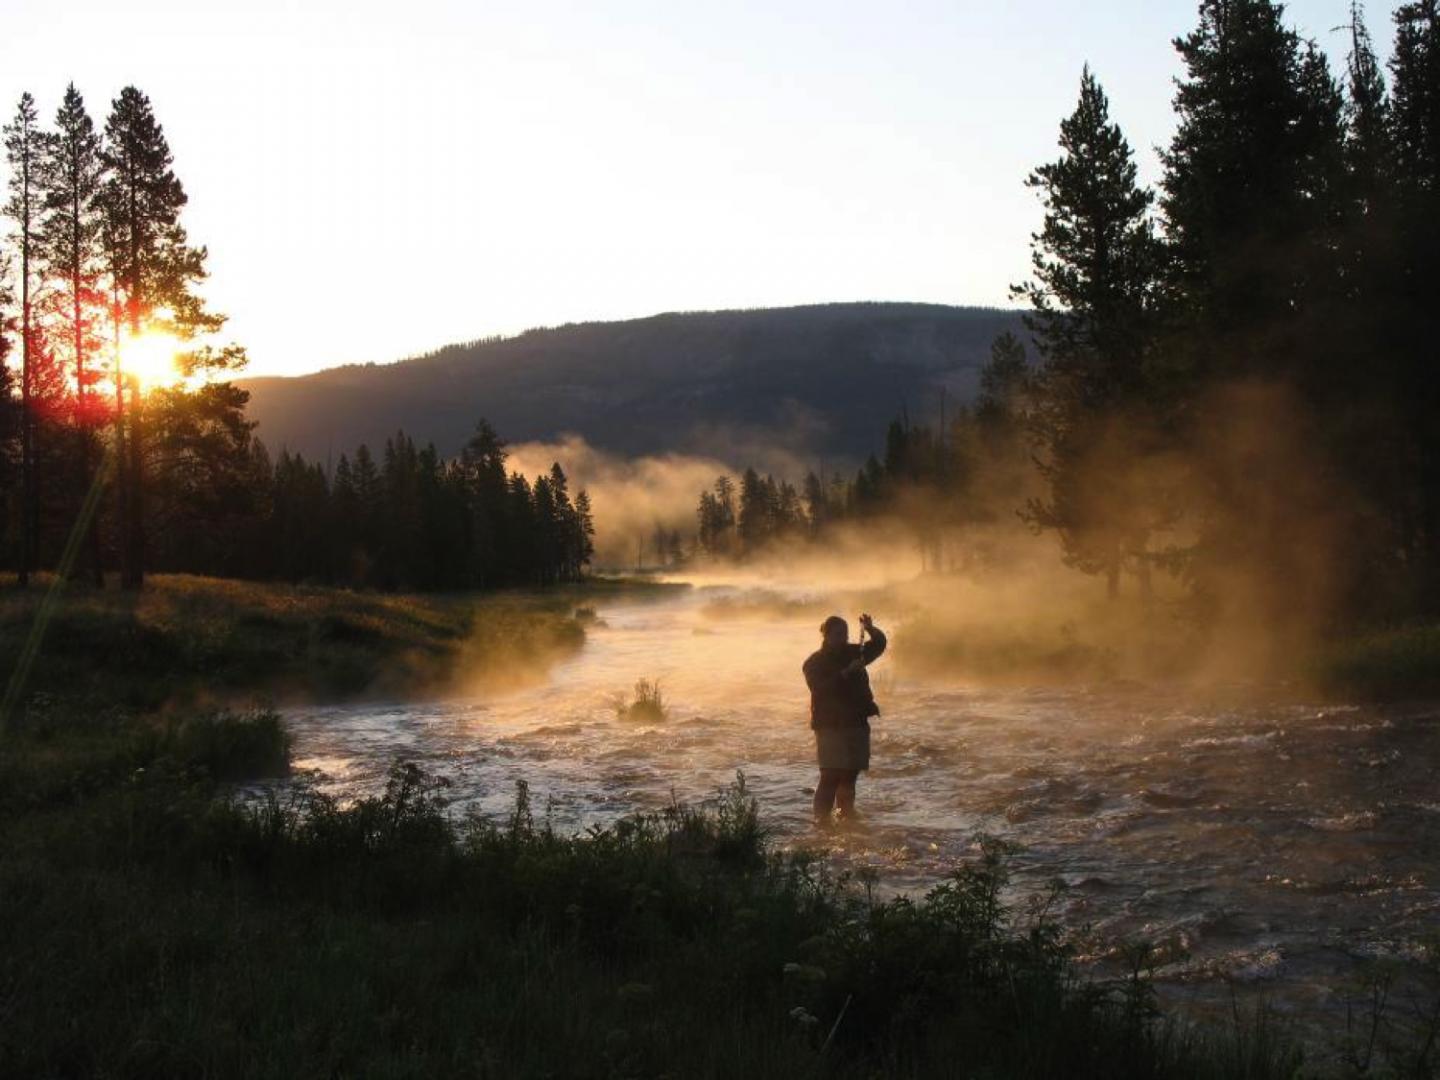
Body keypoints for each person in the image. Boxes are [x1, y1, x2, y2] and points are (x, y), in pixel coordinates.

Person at [803, 612, 886, 826]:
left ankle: (846, 815)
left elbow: (878, 646)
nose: (843, 638)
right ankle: (821, 822)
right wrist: (846, 673)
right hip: (830, 725)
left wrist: (870, 628)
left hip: (856, 721)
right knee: (830, 775)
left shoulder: (854, 652)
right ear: (826, 635)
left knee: (850, 774)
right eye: (839, 634)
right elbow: (819, 689)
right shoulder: (814, 663)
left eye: (846, 633)